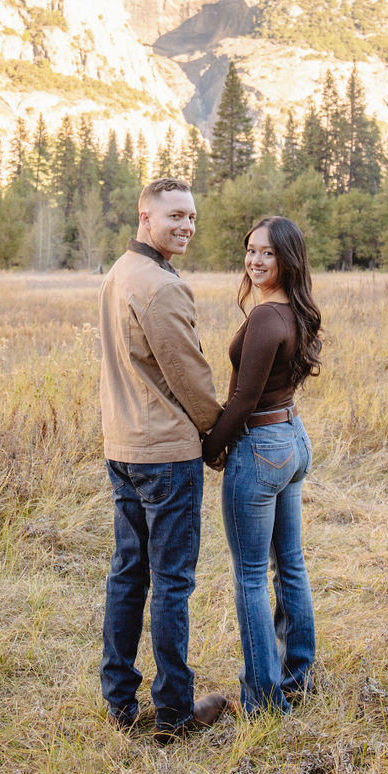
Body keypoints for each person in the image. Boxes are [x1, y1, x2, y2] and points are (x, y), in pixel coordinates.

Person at [98, 177, 228, 743]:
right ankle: (175, 712)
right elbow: (190, 376)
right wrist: (219, 433)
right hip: (166, 455)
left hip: (123, 447)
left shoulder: (117, 273)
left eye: (192, 217)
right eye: (175, 215)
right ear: (144, 216)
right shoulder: (159, 285)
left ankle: (118, 701)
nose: (186, 226)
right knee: (171, 582)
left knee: (130, 574)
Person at [202, 216, 321, 714]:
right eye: (251, 250)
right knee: (289, 564)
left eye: (268, 253)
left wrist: (212, 447)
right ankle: (299, 676)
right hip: (290, 437)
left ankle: (263, 698)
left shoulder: (267, 319)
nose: (255, 260)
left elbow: (245, 399)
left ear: (287, 259)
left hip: (260, 446)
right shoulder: (292, 311)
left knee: (252, 574)